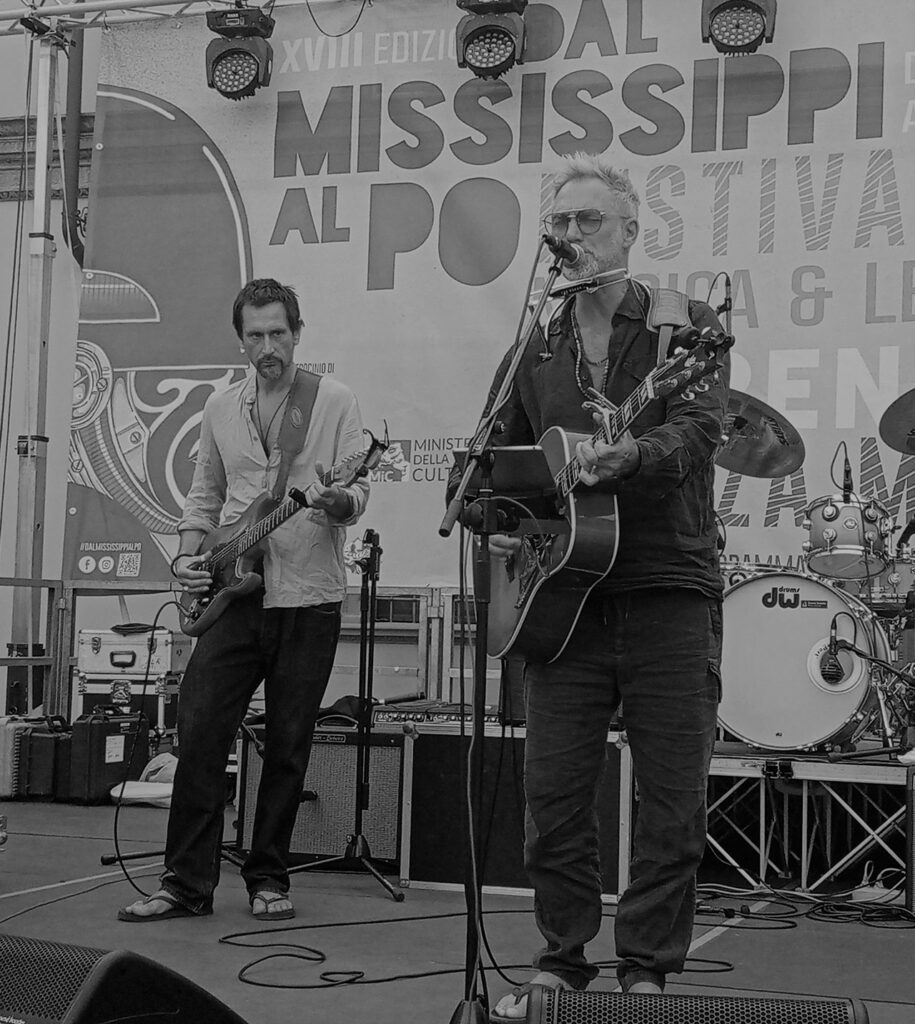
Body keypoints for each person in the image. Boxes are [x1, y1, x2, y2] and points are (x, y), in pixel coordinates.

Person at [451, 153, 729, 1013]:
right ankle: (562, 956)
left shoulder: (688, 326)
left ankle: (645, 963)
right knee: (554, 795)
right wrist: (484, 498)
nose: (569, 237)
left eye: (587, 222)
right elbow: (490, 464)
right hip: (562, 604)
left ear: (630, 232)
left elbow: (698, 430)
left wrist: (631, 453)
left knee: (670, 800)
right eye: (560, 224)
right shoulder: (534, 346)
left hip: (666, 590)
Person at [118, 278, 370, 923]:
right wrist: (187, 558)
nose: (268, 346)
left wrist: (336, 499)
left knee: (288, 745)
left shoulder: (332, 401)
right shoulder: (220, 408)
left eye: (278, 333)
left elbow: (355, 498)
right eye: (255, 335)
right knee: (200, 733)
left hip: (306, 597)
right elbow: (204, 496)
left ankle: (268, 877)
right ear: (240, 341)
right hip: (233, 592)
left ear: (296, 332)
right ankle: (184, 885)